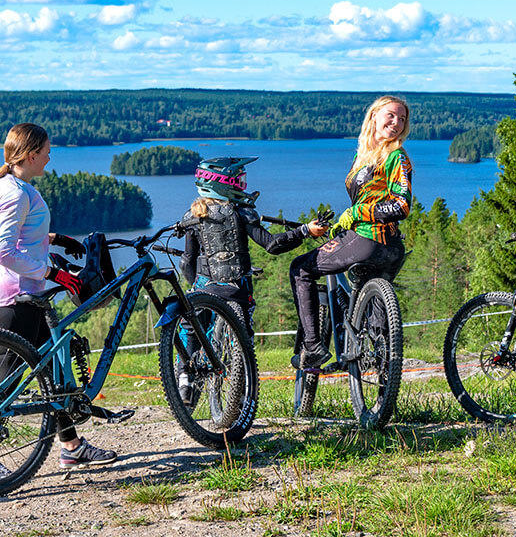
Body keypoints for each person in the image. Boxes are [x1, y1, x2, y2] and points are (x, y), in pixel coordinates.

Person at [0, 123, 116, 482]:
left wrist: (54, 239)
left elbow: (21, 237)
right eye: (47, 151)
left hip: (25, 296)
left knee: (52, 377)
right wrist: (53, 273)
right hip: (15, 298)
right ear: (31, 154)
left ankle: (71, 447)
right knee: (5, 384)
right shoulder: (15, 193)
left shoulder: (8, 186)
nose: (50, 157)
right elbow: (1, 252)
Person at [177, 156, 327, 402]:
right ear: (223, 183)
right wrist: (304, 231)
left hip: (204, 287)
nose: (242, 185)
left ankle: (185, 378)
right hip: (236, 288)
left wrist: (194, 285)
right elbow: (272, 245)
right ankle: (243, 393)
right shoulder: (242, 213)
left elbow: (187, 261)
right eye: (238, 181)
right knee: (244, 338)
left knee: (190, 328)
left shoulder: (193, 216)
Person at [289, 95, 413, 370]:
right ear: (374, 116)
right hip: (389, 248)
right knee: (373, 316)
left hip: (370, 238)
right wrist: (344, 222)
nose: (396, 123)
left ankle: (313, 347)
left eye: (402, 119)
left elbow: (402, 205)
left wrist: (356, 214)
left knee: (300, 269)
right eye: (391, 115)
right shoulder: (363, 155)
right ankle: (382, 377)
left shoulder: (396, 157)